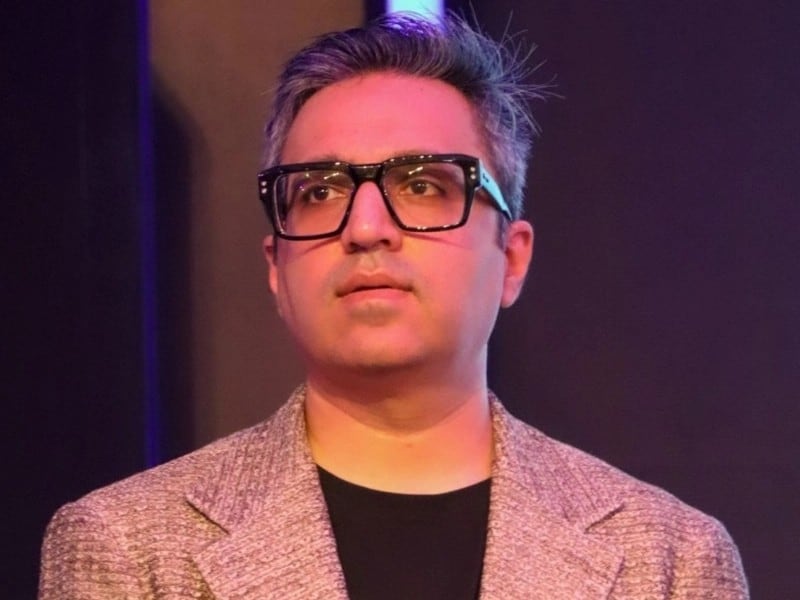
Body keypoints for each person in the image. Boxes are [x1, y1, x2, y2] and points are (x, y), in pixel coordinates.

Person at [39, 12, 748, 599]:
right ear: (276, 268)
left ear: (512, 258)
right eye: (320, 191)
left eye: (423, 185)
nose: (366, 227)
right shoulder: (128, 548)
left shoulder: (670, 560)